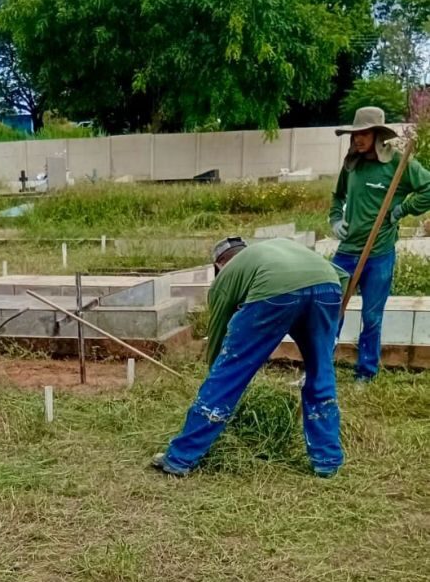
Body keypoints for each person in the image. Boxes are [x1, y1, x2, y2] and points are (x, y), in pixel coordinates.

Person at [152, 237, 348, 478]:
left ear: (220, 264)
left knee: (229, 374)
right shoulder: (274, 248)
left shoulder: (226, 277)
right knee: (321, 373)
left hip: (274, 290)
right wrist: (331, 333)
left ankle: (180, 458)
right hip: (328, 286)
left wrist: (216, 372)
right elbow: (343, 275)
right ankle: (327, 461)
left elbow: (218, 334)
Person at [330, 106, 430, 382]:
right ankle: (320, 366)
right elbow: (336, 197)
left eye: (364, 134)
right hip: (347, 253)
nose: (358, 139)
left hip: (379, 255)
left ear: (377, 135)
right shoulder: (351, 164)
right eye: (355, 134)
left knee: (372, 317)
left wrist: (402, 209)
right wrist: (336, 220)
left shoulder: (398, 164)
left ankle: (365, 372)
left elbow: (428, 188)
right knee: (327, 306)